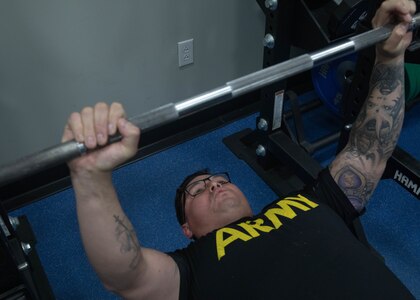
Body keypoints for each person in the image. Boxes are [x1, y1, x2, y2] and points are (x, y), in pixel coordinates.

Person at [62, 0, 417, 299]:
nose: (214, 184)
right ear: (187, 229)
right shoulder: (191, 268)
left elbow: (368, 151)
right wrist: (91, 176)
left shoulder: (309, 201)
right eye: (197, 191)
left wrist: (389, 56)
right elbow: (126, 275)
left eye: (216, 178)